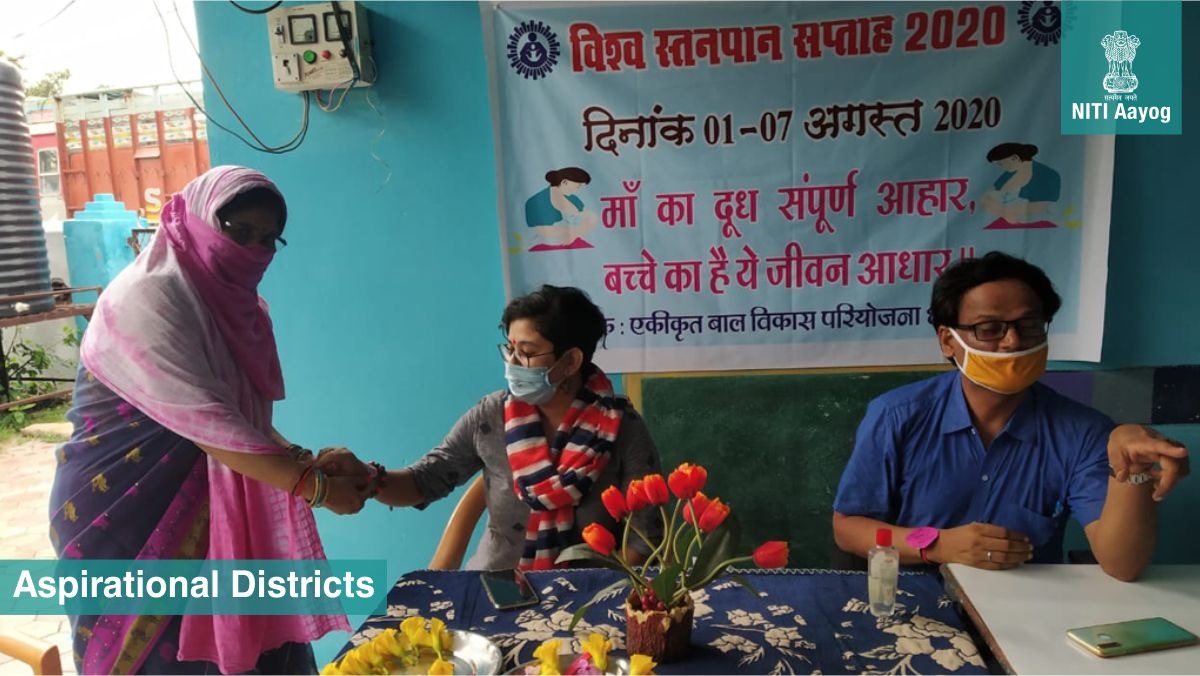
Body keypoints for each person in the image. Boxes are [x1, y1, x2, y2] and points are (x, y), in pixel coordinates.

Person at [49, 166, 368, 674]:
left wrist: (305, 462)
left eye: (267, 240)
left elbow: (239, 421)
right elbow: (208, 422)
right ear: (196, 220)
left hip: (214, 499)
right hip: (124, 508)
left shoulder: (241, 309)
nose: (251, 250)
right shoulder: (148, 298)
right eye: (237, 232)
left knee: (258, 640)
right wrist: (315, 486)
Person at [832, 251, 1188, 581]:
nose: (1012, 342)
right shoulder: (897, 416)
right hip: (912, 602)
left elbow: (1123, 566)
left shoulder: (1082, 432)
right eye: (989, 329)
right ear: (947, 340)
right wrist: (938, 546)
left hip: (1027, 611)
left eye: (1029, 325)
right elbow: (847, 528)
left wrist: (1133, 472)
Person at [328, 285, 663, 570]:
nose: (513, 364)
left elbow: (644, 536)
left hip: (585, 600)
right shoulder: (490, 417)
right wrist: (366, 477)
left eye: (527, 353)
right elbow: (425, 480)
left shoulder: (621, 428)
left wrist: (593, 595)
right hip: (494, 590)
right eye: (510, 349)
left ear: (571, 361)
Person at [979, 142, 1061, 228]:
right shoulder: (1007, 175)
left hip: (1039, 224)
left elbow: (1043, 206)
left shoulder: (1048, 175)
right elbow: (986, 198)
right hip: (1005, 223)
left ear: (1015, 158)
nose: (1001, 167)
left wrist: (1001, 208)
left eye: (1000, 163)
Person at [523, 168, 599, 251]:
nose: (578, 190)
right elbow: (539, 229)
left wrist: (575, 233)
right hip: (545, 245)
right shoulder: (535, 202)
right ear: (565, 182)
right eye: (578, 186)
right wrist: (573, 232)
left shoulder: (575, 200)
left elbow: (588, 218)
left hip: (575, 244)